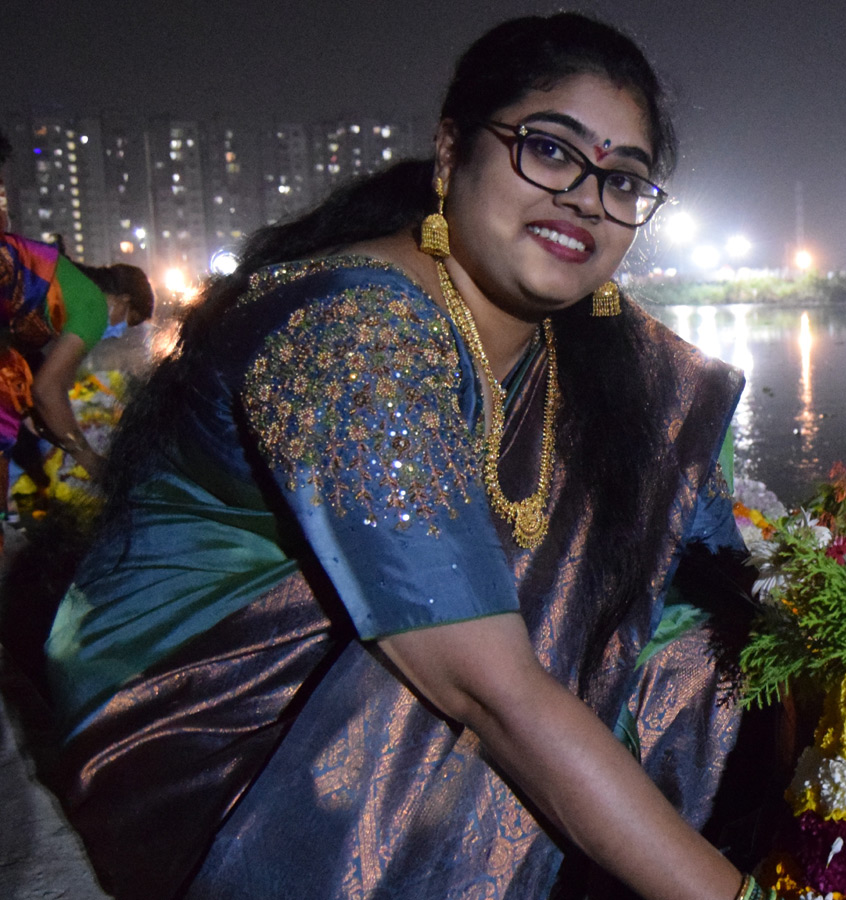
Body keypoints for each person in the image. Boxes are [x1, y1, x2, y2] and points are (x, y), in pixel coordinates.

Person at [43, 13, 767, 900]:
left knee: (707, 657)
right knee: (457, 712)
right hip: (210, 733)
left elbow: (706, 544)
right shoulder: (354, 332)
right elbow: (488, 693)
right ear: (451, 149)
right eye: (550, 150)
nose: (586, 196)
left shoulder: (592, 346)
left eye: (624, 179)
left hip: (447, 672)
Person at [1, 228, 154, 533]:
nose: (120, 331)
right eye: (128, 320)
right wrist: (88, 459)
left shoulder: (65, 288)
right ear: (122, 301)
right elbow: (47, 390)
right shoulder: (94, 308)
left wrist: (32, 413)